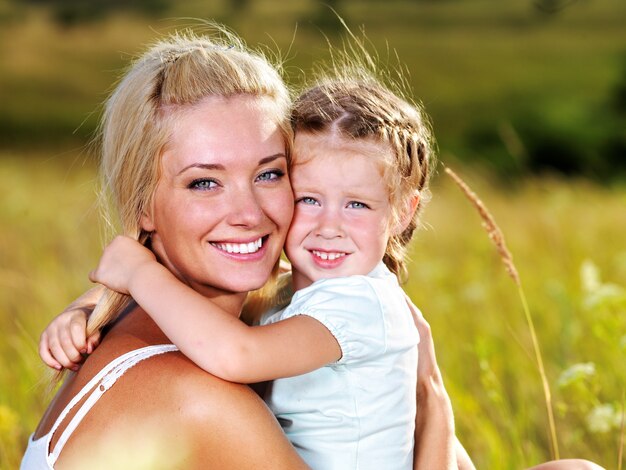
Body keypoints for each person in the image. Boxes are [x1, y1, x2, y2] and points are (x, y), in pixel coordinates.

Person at [68, 70, 434, 470]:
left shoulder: (358, 302)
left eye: (268, 175)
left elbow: (237, 354)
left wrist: (139, 274)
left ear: (402, 213)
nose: (329, 227)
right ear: (142, 206)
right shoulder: (299, 295)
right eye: (309, 198)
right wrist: (88, 309)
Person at [22, 29, 308, 469]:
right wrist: (428, 397)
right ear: (143, 208)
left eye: (268, 174)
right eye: (204, 182)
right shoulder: (201, 400)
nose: (249, 213)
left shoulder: (124, 321)